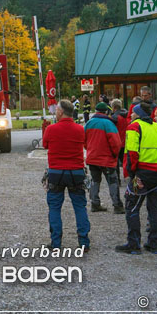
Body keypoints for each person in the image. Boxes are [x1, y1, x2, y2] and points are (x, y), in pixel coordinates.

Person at [115, 102, 157, 255]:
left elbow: (132, 153)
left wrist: (132, 174)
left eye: (133, 112)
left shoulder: (135, 127)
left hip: (142, 175)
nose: (131, 115)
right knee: (155, 209)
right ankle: (154, 244)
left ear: (139, 114)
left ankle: (134, 244)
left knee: (132, 206)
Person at [42, 99, 90, 251]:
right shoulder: (80, 129)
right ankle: (83, 242)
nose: (55, 112)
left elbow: (45, 145)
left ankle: (56, 242)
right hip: (76, 172)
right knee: (80, 206)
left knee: (55, 207)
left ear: (61, 112)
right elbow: (85, 144)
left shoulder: (51, 129)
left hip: (56, 172)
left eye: (56, 110)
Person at [84, 102, 124, 214]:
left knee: (95, 181)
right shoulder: (109, 123)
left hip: (92, 157)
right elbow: (116, 143)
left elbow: (84, 140)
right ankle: (117, 205)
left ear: (96, 111)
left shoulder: (89, 123)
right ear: (106, 111)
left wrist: (90, 150)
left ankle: (95, 204)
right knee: (112, 181)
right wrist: (115, 155)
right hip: (107, 159)